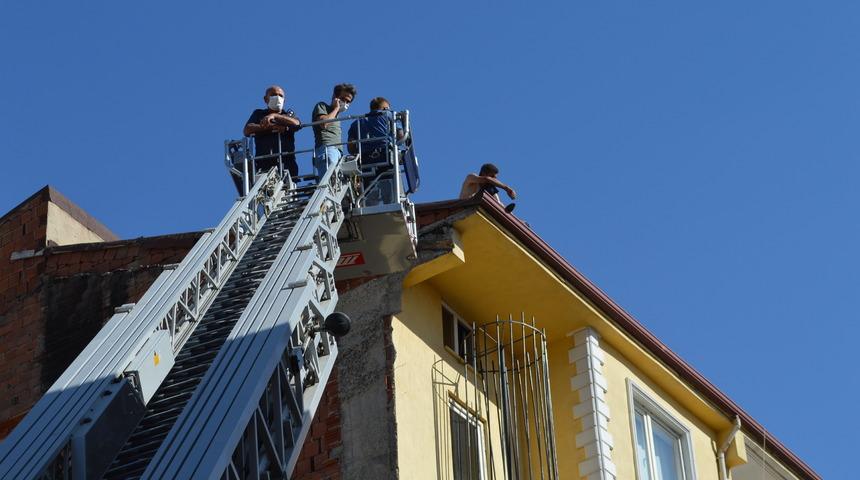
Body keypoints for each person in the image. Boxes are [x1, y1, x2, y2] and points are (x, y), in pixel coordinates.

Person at [347, 97, 404, 206]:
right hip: (385, 155)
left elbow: (351, 147)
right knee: (390, 188)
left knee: (368, 189)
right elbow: (401, 136)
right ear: (385, 108)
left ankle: (367, 206)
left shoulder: (357, 123)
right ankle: (391, 204)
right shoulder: (389, 115)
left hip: (365, 160)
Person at [242, 85, 302, 183]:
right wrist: (271, 127)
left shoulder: (288, 115)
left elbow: (297, 124)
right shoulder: (259, 114)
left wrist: (274, 116)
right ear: (266, 99)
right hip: (264, 163)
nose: (278, 98)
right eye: (274, 95)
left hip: (287, 163)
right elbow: (247, 130)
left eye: (281, 96)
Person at [311, 83, 357, 178]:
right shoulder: (322, 106)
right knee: (328, 184)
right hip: (327, 149)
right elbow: (324, 123)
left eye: (348, 102)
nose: (345, 103)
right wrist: (336, 108)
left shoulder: (337, 116)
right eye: (343, 99)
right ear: (335, 97)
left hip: (338, 153)